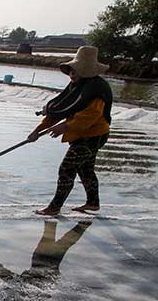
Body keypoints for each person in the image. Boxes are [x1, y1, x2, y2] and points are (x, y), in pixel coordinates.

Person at [29, 46, 113, 216]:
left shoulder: (97, 88)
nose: (72, 74)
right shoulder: (76, 87)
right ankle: (93, 203)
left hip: (93, 135)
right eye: (71, 71)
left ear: (87, 71)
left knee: (67, 168)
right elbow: (61, 109)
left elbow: (90, 115)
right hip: (81, 134)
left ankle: (54, 207)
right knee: (85, 169)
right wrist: (38, 131)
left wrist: (65, 127)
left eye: (76, 71)